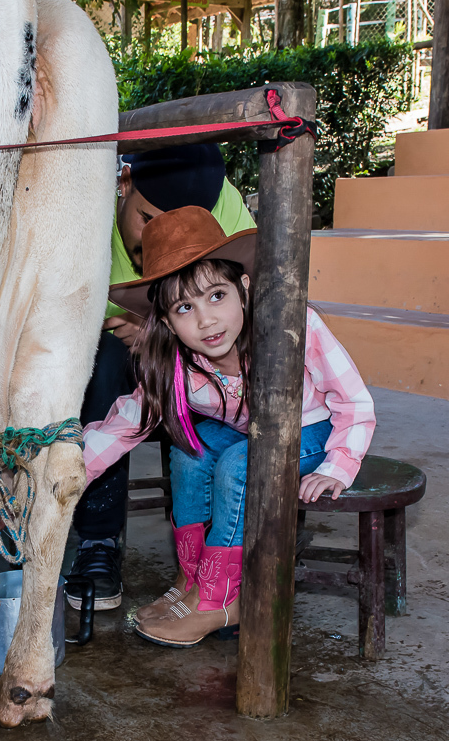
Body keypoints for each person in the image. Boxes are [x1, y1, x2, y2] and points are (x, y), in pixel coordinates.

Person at [81, 206, 376, 647]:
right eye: (185, 307)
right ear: (165, 321)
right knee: (188, 450)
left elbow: (352, 401)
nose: (206, 320)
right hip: (249, 431)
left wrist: (338, 465)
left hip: (313, 431)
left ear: (244, 288)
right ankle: (195, 577)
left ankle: (221, 597)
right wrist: (67, 469)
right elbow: (126, 423)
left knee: (240, 462)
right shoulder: (173, 360)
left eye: (216, 296)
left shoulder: (295, 326)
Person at [67, 143, 256, 612]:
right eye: (148, 221)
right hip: (119, 348)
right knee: (104, 360)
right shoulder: (81, 210)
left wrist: (163, 332)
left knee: (199, 436)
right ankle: (97, 541)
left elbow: (256, 304)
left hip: (198, 353)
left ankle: (222, 555)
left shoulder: (228, 210)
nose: (157, 239)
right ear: (125, 184)